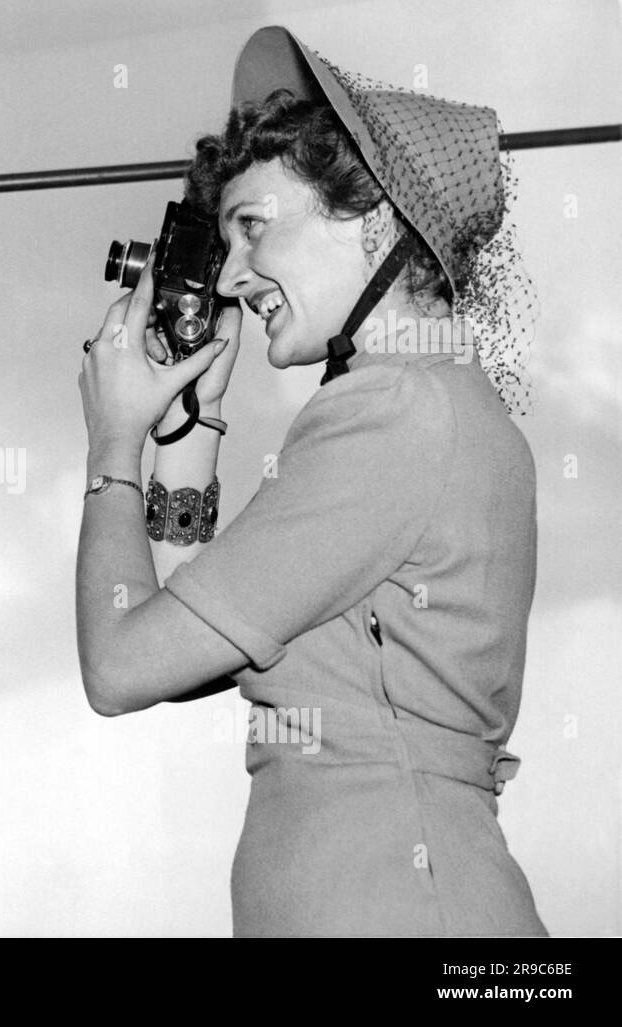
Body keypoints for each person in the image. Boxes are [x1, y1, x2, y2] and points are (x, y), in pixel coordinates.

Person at [75, 26, 544, 936]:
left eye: (253, 226)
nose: (232, 277)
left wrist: (112, 446)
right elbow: (177, 636)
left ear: (372, 218)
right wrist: (193, 423)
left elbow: (120, 666)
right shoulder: (430, 401)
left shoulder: (392, 411)